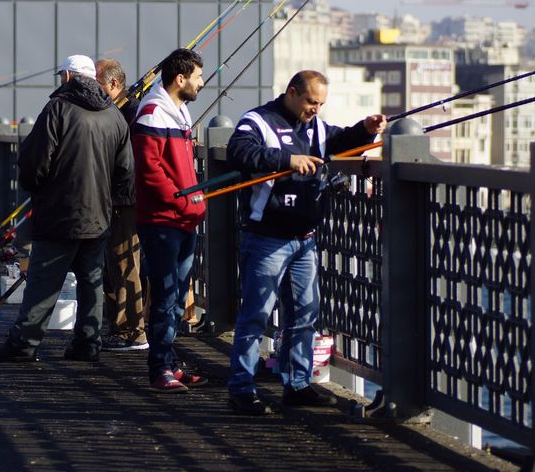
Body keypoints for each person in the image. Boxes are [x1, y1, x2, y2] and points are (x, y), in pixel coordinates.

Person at [225, 70, 386, 415]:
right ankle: (241, 388)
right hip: (266, 237)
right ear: (293, 93)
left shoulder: (317, 128)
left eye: (321, 104)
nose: (316, 109)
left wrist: (366, 129)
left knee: (304, 314)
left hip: (305, 239)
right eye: (311, 102)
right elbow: (238, 152)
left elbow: (343, 141)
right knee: (256, 314)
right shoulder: (258, 121)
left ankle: (296, 384)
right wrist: (287, 160)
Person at [0, 55, 133, 364]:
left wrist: (37, 188)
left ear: (67, 76)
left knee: (43, 282)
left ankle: (24, 344)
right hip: (99, 217)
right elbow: (126, 171)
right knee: (92, 282)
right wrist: (112, 202)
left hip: (59, 214)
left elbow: (33, 162)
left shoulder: (58, 108)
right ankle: (87, 344)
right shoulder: (114, 115)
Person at [132, 48, 208, 393]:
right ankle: (159, 368)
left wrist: (192, 202)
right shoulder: (152, 113)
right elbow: (150, 173)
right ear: (180, 79)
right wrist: (186, 204)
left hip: (183, 218)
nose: (201, 83)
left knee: (176, 297)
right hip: (163, 220)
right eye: (197, 77)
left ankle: (169, 361)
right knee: (164, 295)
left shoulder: (180, 111)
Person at [95, 58, 147, 351]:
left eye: (98, 84)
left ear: (113, 84)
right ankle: (119, 327)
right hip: (116, 198)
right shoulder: (123, 110)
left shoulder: (131, 113)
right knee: (115, 265)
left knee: (125, 262)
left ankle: (133, 331)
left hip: (125, 199)